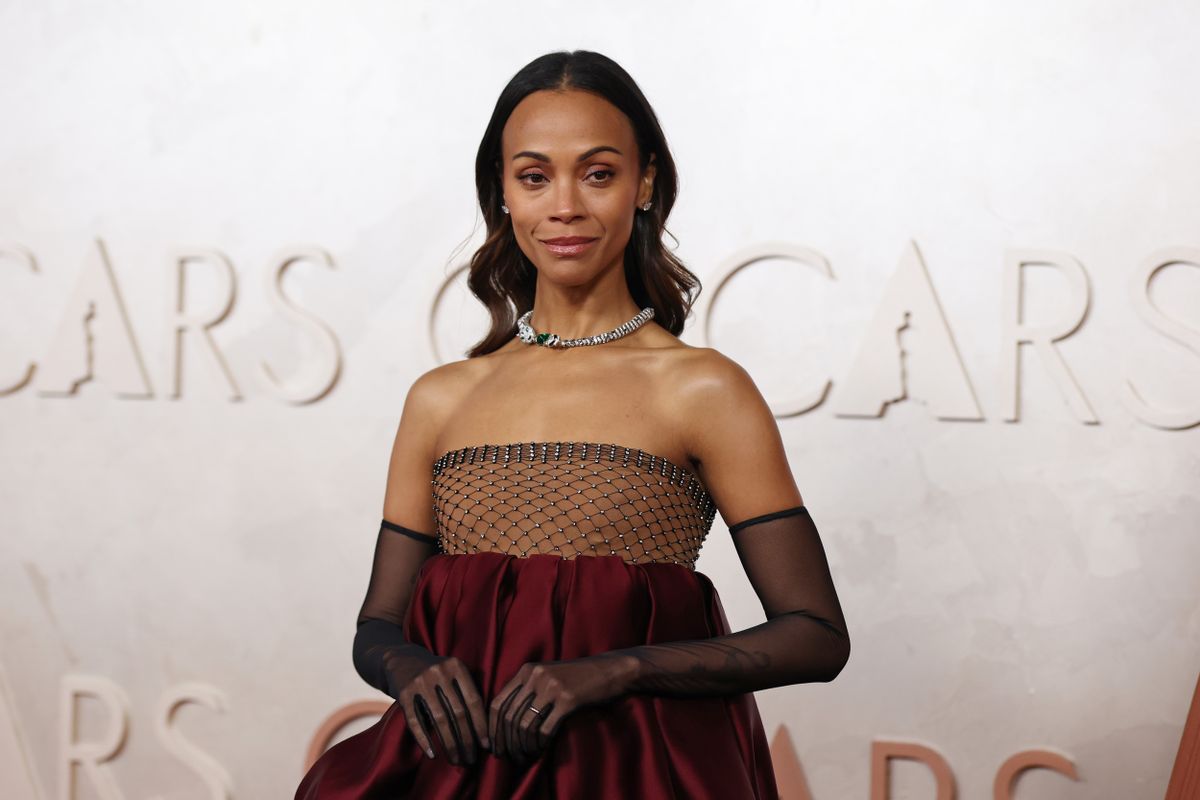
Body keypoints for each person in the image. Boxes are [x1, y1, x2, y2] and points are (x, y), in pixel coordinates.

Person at [295, 49, 850, 799]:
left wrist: (621, 667)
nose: (565, 205)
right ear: (503, 193)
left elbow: (814, 633)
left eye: (597, 173)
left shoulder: (705, 389)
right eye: (534, 176)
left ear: (644, 183)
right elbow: (379, 624)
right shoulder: (442, 398)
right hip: (457, 777)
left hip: (635, 776)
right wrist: (404, 665)